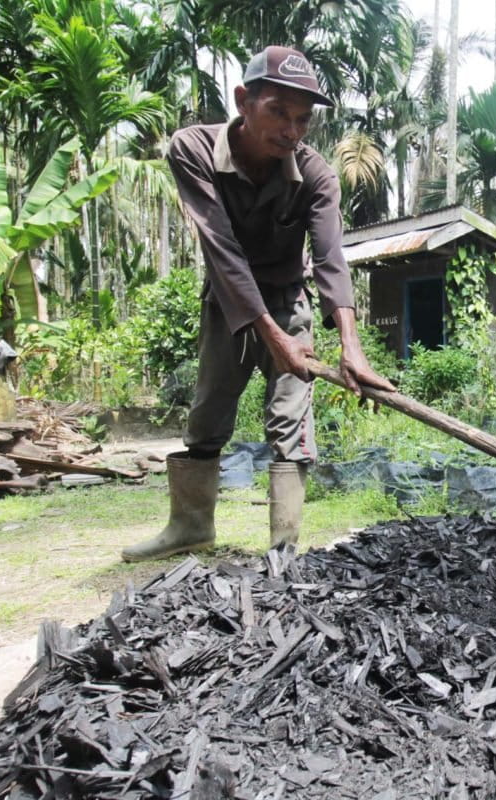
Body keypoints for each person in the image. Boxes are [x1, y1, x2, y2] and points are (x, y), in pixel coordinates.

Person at [122, 45, 395, 562]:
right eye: (278, 112)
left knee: (290, 422)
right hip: (228, 301)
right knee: (207, 417)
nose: (291, 131)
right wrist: (273, 340)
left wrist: (351, 347)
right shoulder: (193, 150)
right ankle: (190, 528)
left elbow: (331, 259)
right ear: (242, 100)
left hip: (289, 301)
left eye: (302, 120)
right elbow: (222, 254)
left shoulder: (316, 175)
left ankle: (283, 547)